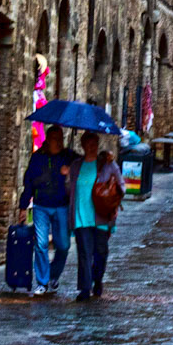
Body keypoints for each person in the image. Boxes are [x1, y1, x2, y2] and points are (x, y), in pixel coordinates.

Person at [20, 125, 74, 296]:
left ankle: (54, 275)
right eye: (55, 139)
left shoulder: (69, 156)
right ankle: (42, 282)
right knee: (41, 244)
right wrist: (23, 206)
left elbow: (85, 165)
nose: (58, 142)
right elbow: (28, 182)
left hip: (62, 206)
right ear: (48, 140)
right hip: (41, 205)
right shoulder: (37, 158)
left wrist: (70, 171)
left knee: (63, 245)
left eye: (61, 139)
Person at [78, 145, 124, 298]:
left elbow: (121, 186)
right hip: (84, 215)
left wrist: (114, 201)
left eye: (93, 143)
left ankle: (97, 279)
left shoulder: (108, 164)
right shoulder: (78, 164)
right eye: (88, 143)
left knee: (100, 252)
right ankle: (85, 287)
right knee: (85, 252)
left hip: (102, 216)